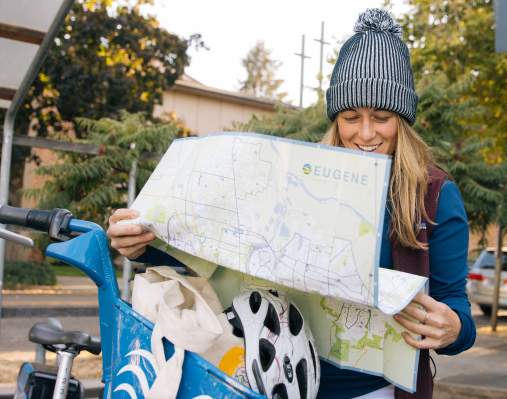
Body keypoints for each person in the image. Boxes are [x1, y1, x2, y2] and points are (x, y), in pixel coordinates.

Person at [107, 8, 475, 399]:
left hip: (379, 392)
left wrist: (453, 329)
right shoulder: (297, 182)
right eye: (351, 117)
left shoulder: (433, 195)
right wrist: (144, 245)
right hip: (277, 382)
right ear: (336, 119)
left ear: (403, 119)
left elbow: (457, 312)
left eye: (381, 117)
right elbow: (231, 258)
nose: (365, 133)